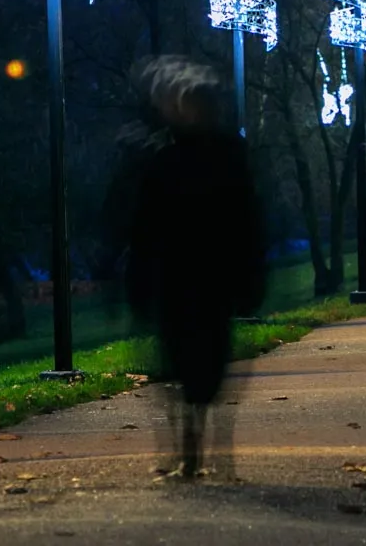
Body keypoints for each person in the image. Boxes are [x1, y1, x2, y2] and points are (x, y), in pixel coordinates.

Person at [116, 57, 266, 478]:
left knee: (205, 365)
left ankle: (203, 444)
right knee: (178, 363)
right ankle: (191, 444)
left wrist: (250, 273)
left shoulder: (216, 155)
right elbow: (145, 225)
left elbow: (247, 218)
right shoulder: (166, 157)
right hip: (179, 276)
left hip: (207, 274)